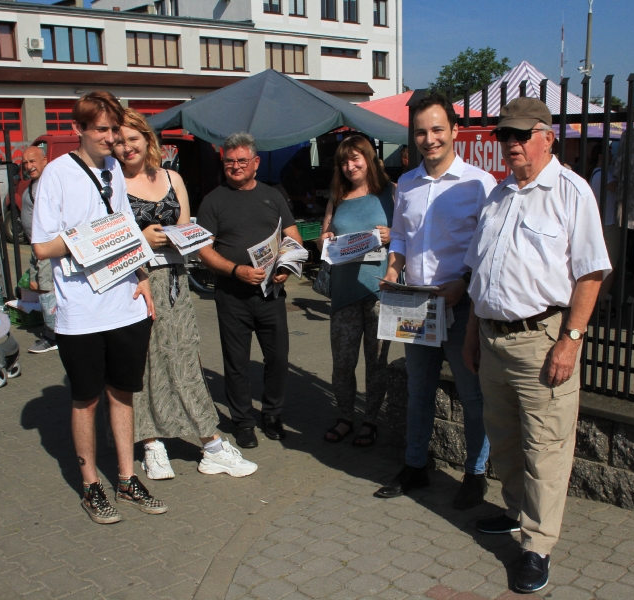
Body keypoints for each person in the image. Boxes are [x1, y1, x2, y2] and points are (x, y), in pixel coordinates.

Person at [462, 97, 611, 593]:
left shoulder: (571, 192)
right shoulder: (499, 194)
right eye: (505, 135)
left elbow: (590, 274)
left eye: (522, 134)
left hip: (541, 341)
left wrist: (571, 340)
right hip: (492, 339)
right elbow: (478, 274)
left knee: (545, 448)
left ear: (548, 136)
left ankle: (537, 546)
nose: (512, 144)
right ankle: (515, 513)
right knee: (503, 439)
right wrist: (472, 334)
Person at [31, 91, 165, 525]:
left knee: (122, 393)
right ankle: (91, 484)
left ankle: (126, 478)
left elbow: (125, 229)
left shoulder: (114, 169)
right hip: (81, 310)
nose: (111, 139)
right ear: (79, 129)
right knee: (86, 399)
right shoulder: (57, 174)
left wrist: (142, 277)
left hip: (124, 302)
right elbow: (41, 246)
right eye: (102, 130)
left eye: (115, 130)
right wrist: (90, 238)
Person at [114, 109, 257, 479]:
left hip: (174, 281)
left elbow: (185, 231)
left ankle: (211, 444)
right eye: (119, 140)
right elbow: (105, 241)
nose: (127, 147)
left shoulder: (171, 178)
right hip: (133, 283)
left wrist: (186, 239)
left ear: (147, 139)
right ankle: (151, 445)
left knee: (184, 358)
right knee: (144, 363)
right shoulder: (110, 185)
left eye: (133, 138)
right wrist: (141, 239)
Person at [375, 93, 495, 511]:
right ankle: (415, 466)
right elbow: (401, 236)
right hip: (416, 305)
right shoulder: (407, 183)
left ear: (455, 130)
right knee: (419, 390)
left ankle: (475, 473)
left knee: (472, 395)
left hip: (461, 307)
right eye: (421, 132)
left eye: (438, 129)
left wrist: (464, 282)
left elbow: (487, 246)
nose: (430, 139)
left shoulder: (479, 183)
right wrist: (393, 271)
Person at [197, 132, 302, 449]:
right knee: (236, 363)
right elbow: (203, 249)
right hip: (232, 295)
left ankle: (272, 414)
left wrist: (286, 267)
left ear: (255, 162)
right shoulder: (213, 200)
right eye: (229, 161)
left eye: (242, 160)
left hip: (271, 294)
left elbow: (293, 235)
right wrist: (235, 270)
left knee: (278, 359)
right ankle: (243, 422)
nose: (236, 166)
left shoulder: (273, 195)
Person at [317, 136, 394, 447]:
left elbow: (409, 234)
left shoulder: (391, 193)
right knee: (343, 363)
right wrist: (325, 240)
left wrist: (393, 234)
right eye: (344, 161)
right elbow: (322, 239)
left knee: (376, 363)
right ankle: (346, 417)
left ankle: (371, 419)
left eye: (356, 158)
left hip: (379, 291)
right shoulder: (337, 197)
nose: (350, 166)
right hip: (344, 292)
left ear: (369, 158)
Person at [18, 146, 58, 354]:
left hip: (46, 246)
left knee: (46, 289)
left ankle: (53, 336)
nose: (28, 166)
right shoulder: (34, 184)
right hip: (36, 247)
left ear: (44, 160)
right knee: (37, 286)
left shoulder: (49, 184)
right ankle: (53, 330)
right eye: (25, 162)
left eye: (32, 161)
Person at [590, 144, 621, 296]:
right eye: (609, 152)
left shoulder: (595, 173)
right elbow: (620, 190)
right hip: (608, 223)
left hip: (602, 223)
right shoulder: (604, 175)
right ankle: (602, 300)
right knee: (609, 265)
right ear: (600, 155)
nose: (612, 155)